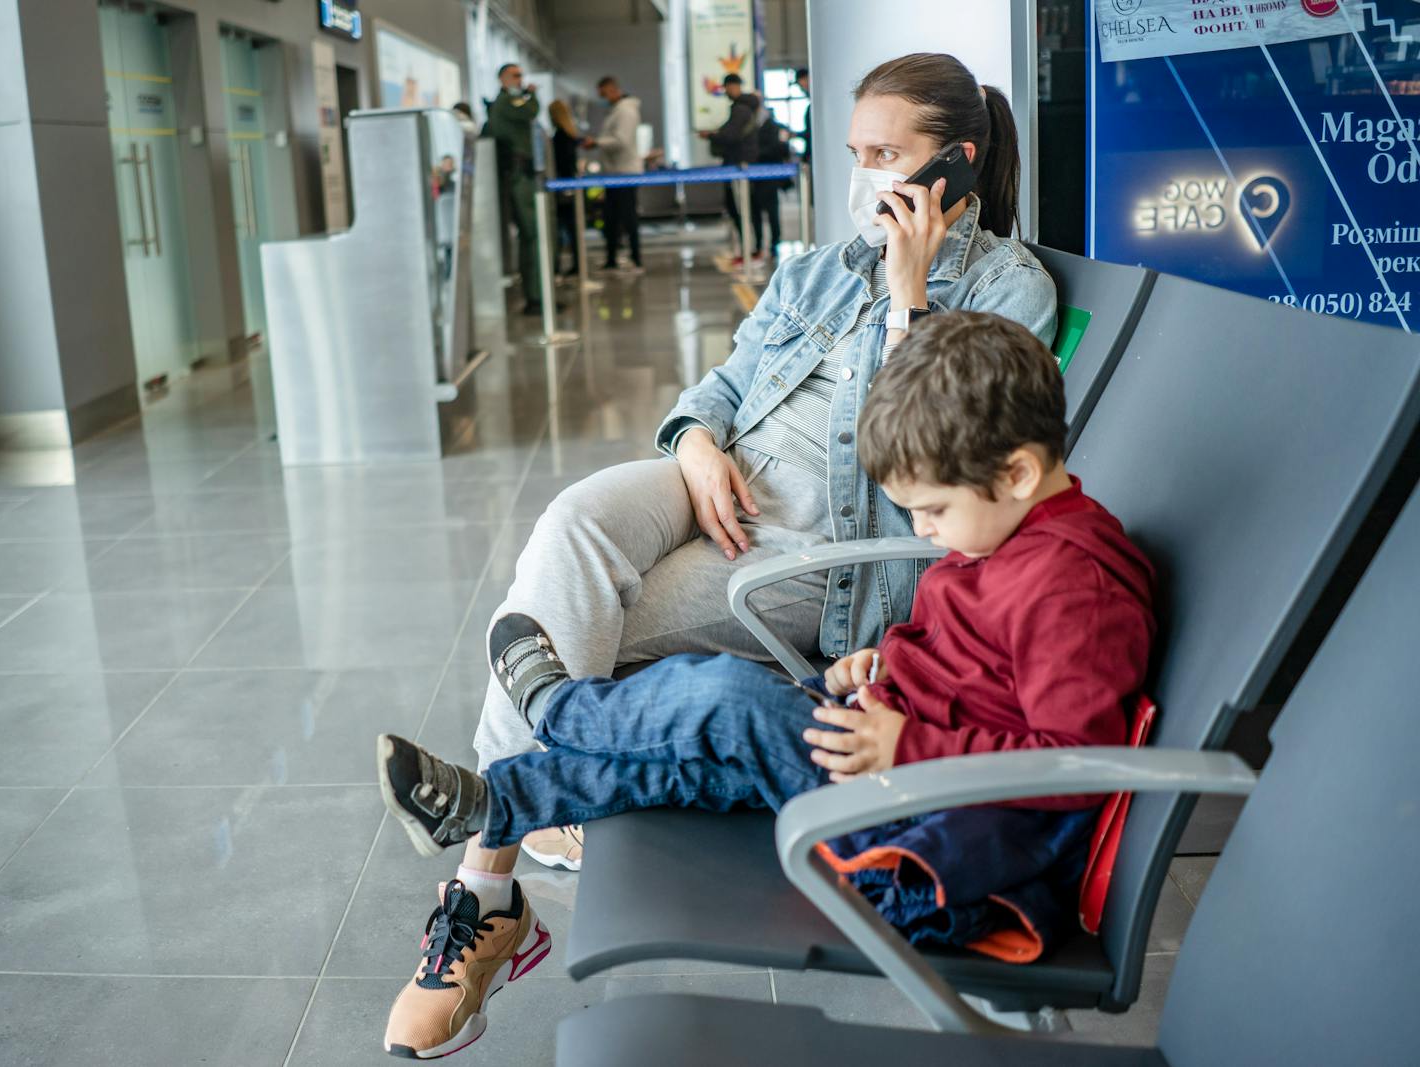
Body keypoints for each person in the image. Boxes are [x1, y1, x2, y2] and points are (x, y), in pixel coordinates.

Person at [381, 50, 1057, 1056]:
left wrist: (909, 301)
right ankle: (511, 837)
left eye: (890, 155)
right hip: (721, 483)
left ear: (955, 162)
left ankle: (484, 888)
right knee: (572, 522)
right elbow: (728, 380)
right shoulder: (825, 267)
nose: (870, 177)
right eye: (857, 153)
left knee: (577, 634)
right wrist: (695, 442)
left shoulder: (1010, 289)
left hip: (820, 550)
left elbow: (924, 460)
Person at [378, 311, 1154, 1058]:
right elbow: (977, 667)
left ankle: (562, 708)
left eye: (932, 511)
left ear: (1017, 472)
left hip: (926, 849)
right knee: (687, 757)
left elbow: (1073, 760)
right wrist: (883, 664)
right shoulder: (1005, 531)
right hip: (887, 768)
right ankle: (496, 803)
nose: (923, 532)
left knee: (727, 700)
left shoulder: (1071, 587)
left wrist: (905, 743)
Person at [481, 63, 546, 315]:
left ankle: (537, 294)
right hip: (519, 175)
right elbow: (531, 111)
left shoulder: (508, 102)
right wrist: (533, 95)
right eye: (516, 76)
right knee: (532, 234)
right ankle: (535, 296)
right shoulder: (507, 103)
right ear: (503, 79)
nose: (521, 80)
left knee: (532, 236)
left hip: (522, 173)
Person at [700, 73, 762, 260]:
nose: (726, 91)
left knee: (742, 208)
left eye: (727, 87)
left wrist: (711, 135)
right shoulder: (746, 108)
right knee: (746, 207)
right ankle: (751, 251)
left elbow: (731, 136)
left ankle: (750, 252)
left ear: (733, 87)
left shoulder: (740, 109)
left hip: (738, 165)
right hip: (742, 164)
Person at [590, 75, 643, 272]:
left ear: (612, 90)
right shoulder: (616, 111)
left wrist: (596, 143)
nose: (603, 98)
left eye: (603, 94)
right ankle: (611, 258)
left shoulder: (626, 112)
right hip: (613, 173)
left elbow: (622, 141)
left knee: (628, 217)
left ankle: (636, 259)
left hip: (625, 172)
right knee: (610, 217)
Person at [547, 99, 582, 277]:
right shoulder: (570, 135)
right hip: (569, 185)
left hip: (563, 187)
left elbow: (562, 163)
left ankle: (560, 267)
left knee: (564, 228)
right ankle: (575, 265)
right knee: (571, 228)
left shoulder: (560, 137)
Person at [752, 110, 792, 259]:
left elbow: (781, 149)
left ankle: (773, 243)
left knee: (771, 211)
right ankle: (761, 244)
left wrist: (755, 155)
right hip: (757, 177)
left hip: (768, 176)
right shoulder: (755, 127)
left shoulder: (774, 127)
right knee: (759, 212)